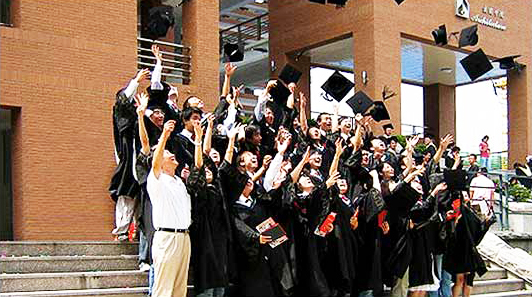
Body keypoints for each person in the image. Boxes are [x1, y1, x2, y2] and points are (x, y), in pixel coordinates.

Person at [147, 119, 192, 297]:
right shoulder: (156, 179)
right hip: (167, 238)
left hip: (184, 237)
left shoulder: (179, 181)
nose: (171, 154)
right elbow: (155, 163)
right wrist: (164, 136)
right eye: (166, 153)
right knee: (164, 289)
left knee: (179, 289)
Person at [109, 68, 149, 241]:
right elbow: (123, 102)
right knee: (126, 196)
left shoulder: (140, 116)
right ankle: (122, 230)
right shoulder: (121, 113)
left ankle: (138, 231)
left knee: (141, 198)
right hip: (128, 160)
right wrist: (136, 81)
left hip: (140, 161)